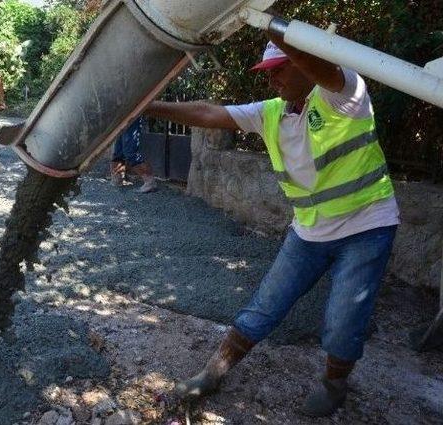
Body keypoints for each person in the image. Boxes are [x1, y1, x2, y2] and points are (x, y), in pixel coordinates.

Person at [145, 35, 400, 417]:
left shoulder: (344, 93)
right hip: (309, 231)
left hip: (367, 226)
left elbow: (323, 67)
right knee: (265, 305)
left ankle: (334, 387)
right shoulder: (271, 112)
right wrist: (145, 107)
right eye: (268, 72)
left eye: (279, 69)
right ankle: (212, 374)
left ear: (304, 63)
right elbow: (207, 113)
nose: (271, 80)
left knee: (343, 320)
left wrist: (272, 25)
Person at [111, 117, 157, 193]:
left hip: (131, 115)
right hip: (121, 116)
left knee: (130, 153)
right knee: (118, 152)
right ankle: (118, 179)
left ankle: (149, 182)